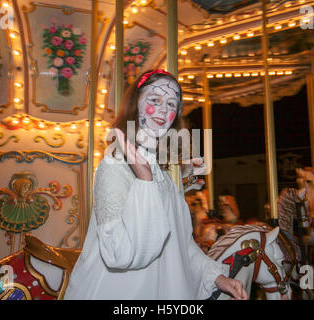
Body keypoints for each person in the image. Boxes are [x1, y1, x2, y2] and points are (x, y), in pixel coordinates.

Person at [64, 69, 247, 300]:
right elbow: (118, 254)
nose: (164, 109)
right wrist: (144, 182)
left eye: (172, 104)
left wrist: (217, 277)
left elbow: (181, 245)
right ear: (135, 103)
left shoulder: (168, 176)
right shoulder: (113, 167)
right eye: (154, 100)